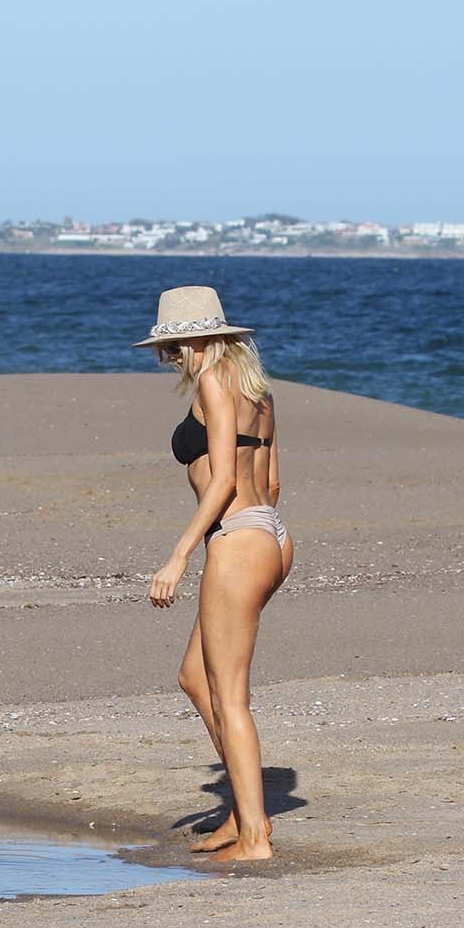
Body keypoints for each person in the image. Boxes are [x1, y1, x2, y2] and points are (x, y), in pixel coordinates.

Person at [137, 286, 293, 862]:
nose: (170, 358)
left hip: (239, 540)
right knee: (195, 678)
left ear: (199, 341)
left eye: (174, 346)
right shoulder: (259, 390)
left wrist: (181, 554)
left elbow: (224, 479)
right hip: (270, 533)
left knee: (231, 698)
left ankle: (255, 839)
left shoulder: (213, 382)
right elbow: (270, 482)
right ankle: (241, 813)